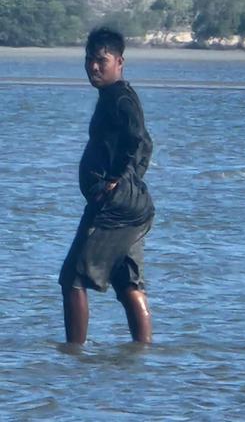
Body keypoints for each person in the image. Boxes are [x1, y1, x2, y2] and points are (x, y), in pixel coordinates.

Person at [59, 27, 155, 344]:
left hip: (115, 207)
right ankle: (143, 354)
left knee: (72, 278)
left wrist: (119, 180)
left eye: (102, 60)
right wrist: (130, 179)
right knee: (126, 281)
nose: (94, 67)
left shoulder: (120, 98)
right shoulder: (113, 97)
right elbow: (145, 144)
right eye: (89, 60)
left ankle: (74, 355)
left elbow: (138, 138)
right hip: (129, 205)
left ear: (119, 62)